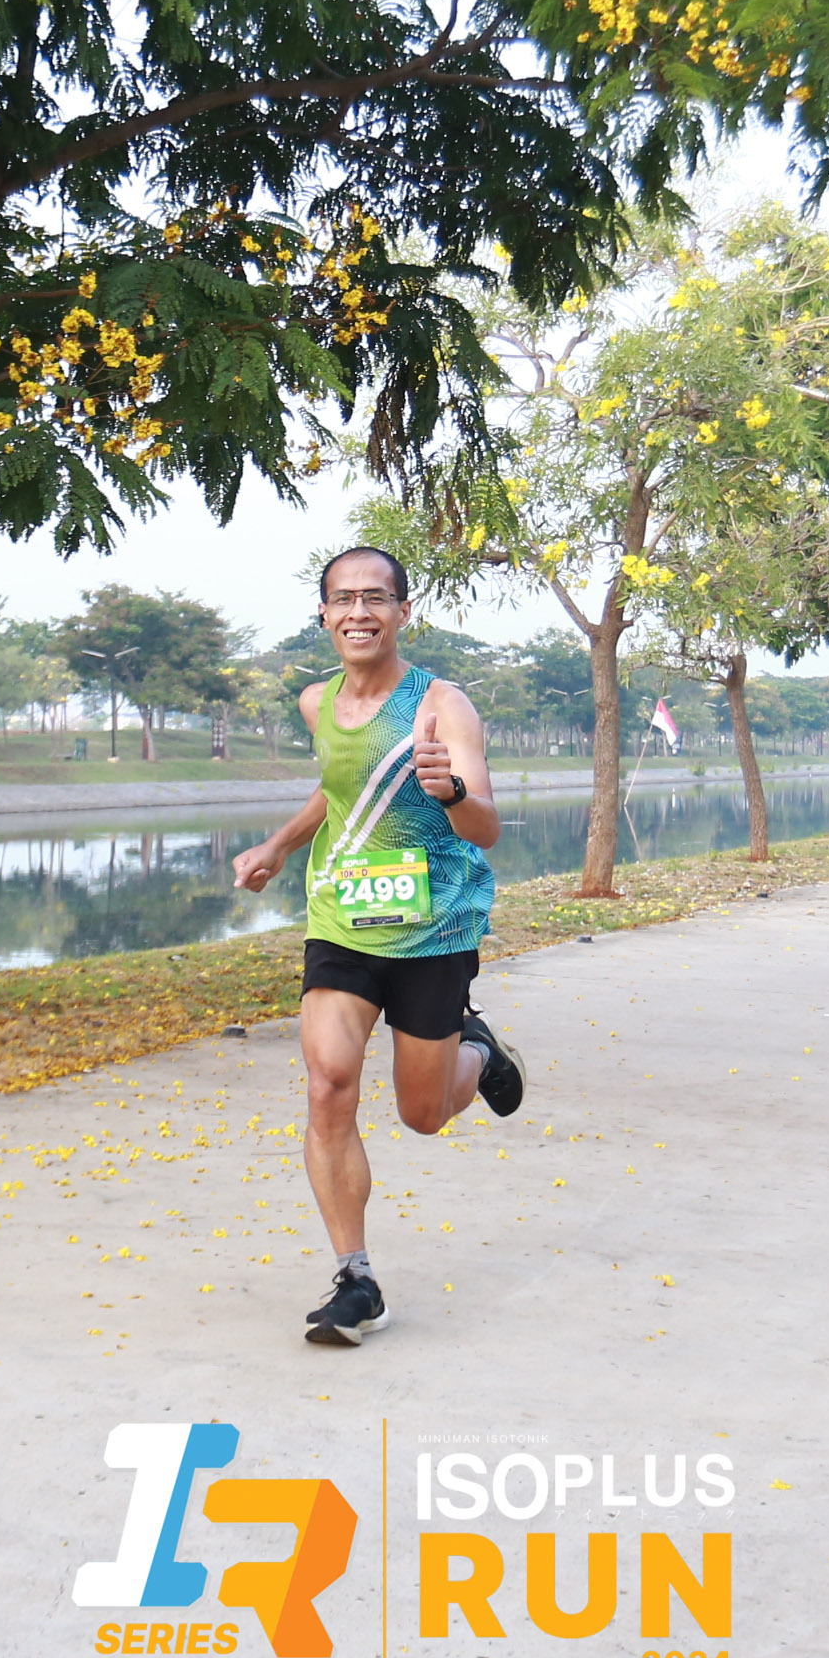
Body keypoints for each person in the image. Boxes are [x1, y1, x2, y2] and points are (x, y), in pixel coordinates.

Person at [231, 548, 518, 1347]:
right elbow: (340, 787)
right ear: (324, 614)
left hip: (434, 929)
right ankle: (355, 1279)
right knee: (328, 1082)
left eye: (376, 598)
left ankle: (478, 1052)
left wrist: (449, 790)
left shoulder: (443, 706)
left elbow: (487, 826)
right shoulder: (316, 702)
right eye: (343, 599)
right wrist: (278, 845)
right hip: (343, 919)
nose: (359, 612)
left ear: (402, 611)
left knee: (423, 1115)